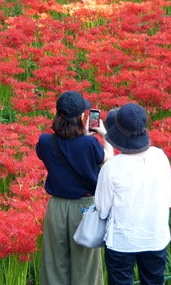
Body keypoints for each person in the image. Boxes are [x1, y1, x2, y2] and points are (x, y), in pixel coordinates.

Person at [35, 91, 114, 285]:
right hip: (85, 209)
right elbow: (108, 159)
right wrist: (105, 135)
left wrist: (82, 138)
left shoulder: (45, 141)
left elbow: (64, 149)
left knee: (54, 263)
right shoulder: (88, 144)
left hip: (56, 208)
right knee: (85, 265)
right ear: (80, 117)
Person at [95, 103, 171, 285]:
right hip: (155, 236)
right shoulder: (160, 157)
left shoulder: (111, 167)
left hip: (122, 241)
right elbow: (169, 201)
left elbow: (102, 210)